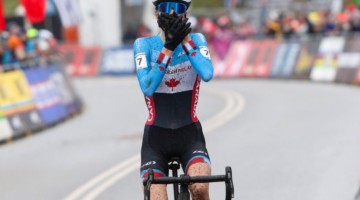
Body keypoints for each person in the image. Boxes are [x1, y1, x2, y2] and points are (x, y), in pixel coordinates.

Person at [133, 0, 214, 199]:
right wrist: (168, 47)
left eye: (178, 8)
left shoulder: (197, 39)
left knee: (201, 188)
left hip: (189, 135)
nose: (171, 12)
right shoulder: (143, 45)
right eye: (164, 7)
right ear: (156, 13)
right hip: (156, 140)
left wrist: (184, 39)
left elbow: (207, 73)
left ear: (185, 14)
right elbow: (148, 87)